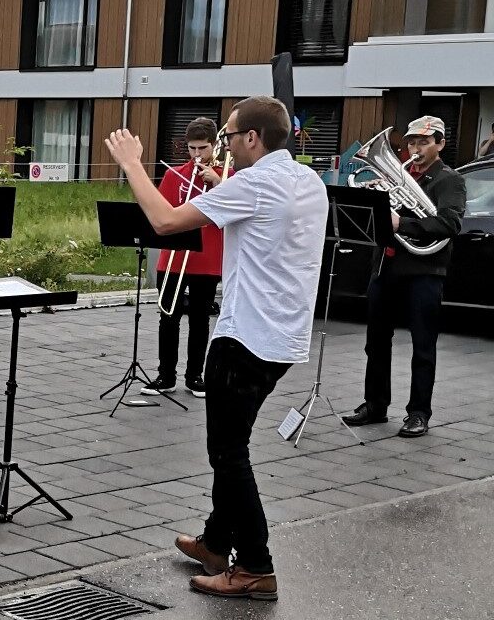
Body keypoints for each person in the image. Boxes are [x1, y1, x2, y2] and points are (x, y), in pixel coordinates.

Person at [105, 96, 326, 602]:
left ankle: (254, 566)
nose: (223, 145)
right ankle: (214, 542)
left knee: (228, 454)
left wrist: (131, 165)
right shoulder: (305, 180)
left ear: (252, 138)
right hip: (285, 339)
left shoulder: (252, 183)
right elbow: (260, 207)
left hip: (245, 337)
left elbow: (163, 222)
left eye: (228, 136)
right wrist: (218, 188)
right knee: (234, 445)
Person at [343, 115, 465, 438]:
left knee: (423, 345)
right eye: (411, 142)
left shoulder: (448, 180)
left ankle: (418, 413)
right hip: (386, 267)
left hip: (424, 271)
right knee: (376, 342)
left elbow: (449, 225)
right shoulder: (396, 175)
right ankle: (375, 404)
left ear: (439, 144)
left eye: (424, 142)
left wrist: (402, 224)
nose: (415, 148)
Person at [143, 118, 226, 399]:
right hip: (174, 259)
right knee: (168, 317)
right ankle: (165, 376)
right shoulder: (174, 175)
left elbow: (232, 218)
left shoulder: (229, 178)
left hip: (207, 257)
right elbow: (161, 214)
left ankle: (195, 376)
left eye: (203, 148)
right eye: (192, 148)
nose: (197, 155)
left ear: (214, 146)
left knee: (200, 319)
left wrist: (217, 184)